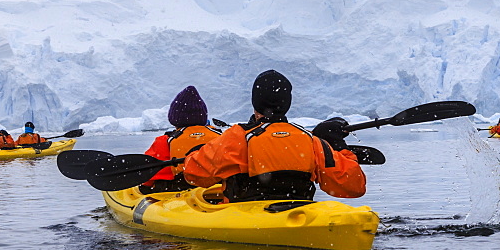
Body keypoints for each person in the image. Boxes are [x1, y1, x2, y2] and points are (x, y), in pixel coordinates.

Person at [182, 70, 366, 202]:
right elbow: (353, 186)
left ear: (255, 103)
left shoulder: (236, 138)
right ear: (287, 104)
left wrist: (195, 152)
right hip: (297, 214)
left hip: (246, 218)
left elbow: (193, 175)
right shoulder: (310, 140)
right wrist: (339, 148)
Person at [142, 86, 223, 193]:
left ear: (174, 119)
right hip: (216, 190)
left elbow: (150, 173)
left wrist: (145, 187)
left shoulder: (165, 141)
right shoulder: (221, 137)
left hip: (178, 193)